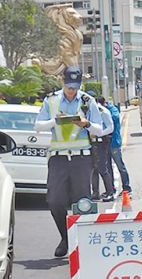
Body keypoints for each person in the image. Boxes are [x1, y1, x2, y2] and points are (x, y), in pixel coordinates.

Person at [37, 68, 111, 257]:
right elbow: (38, 126)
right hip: (58, 158)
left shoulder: (87, 101)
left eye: (75, 88)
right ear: (63, 83)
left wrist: (86, 124)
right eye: (69, 88)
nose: (72, 91)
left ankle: (82, 242)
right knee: (55, 201)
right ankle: (65, 237)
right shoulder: (51, 100)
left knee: (83, 202)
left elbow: (100, 129)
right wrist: (55, 121)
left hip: (81, 158)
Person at [99, 94, 133, 200]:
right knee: (108, 167)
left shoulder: (112, 109)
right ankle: (111, 189)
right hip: (105, 143)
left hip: (114, 142)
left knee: (120, 166)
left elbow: (114, 118)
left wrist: (103, 113)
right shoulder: (102, 111)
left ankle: (127, 188)